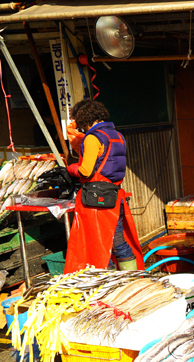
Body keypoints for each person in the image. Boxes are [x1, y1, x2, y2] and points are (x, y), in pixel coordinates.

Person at [63, 99, 144, 272]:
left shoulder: (93, 138)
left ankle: (106, 282)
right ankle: (130, 280)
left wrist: (70, 168)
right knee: (118, 241)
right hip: (115, 196)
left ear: (85, 119)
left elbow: (86, 171)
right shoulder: (118, 136)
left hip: (95, 199)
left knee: (98, 244)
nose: (80, 128)